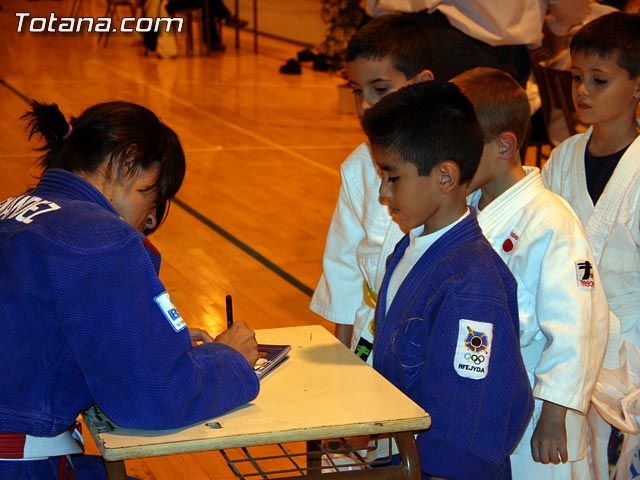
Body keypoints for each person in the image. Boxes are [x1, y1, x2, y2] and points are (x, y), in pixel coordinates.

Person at [0, 101, 260, 480]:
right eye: (149, 197)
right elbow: (154, 397)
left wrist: (146, 341)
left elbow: (38, 332)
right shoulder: (100, 234)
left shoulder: (11, 209)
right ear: (126, 162)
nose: (149, 219)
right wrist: (230, 359)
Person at [361, 80, 534, 479]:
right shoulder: (408, 250)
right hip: (404, 456)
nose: (383, 193)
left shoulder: (471, 285)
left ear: (444, 177)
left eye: (393, 177)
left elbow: (467, 417)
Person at [453, 67, 613, 479]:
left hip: (541, 415)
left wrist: (555, 413)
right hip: (485, 395)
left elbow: (579, 325)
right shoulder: (466, 208)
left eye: (462, 146)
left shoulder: (552, 222)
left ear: (504, 145)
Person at [541, 11, 640, 479]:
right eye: (578, 77)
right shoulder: (563, 157)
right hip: (568, 347)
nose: (582, 91)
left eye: (599, 80)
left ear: (637, 87)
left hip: (633, 355)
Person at [310, 13, 435, 362]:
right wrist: (342, 351)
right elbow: (344, 263)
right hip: (371, 330)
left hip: (434, 332)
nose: (366, 104)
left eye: (380, 89)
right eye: (357, 91)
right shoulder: (358, 167)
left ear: (422, 83)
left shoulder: (452, 162)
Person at [365, 0, 592, 87]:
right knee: (493, 165)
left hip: (416, 38)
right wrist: (559, 30)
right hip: (486, 50)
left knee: (420, 158)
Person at [162, 0, 247, 51]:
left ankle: (213, 39)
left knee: (208, 3)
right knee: (209, 2)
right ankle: (226, 17)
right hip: (169, 3)